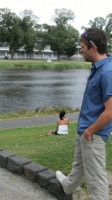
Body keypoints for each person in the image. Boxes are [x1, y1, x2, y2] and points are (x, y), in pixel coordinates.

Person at [56, 28, 112, 199]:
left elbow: (110, 112)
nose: (80, 50)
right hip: (85, 132)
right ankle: (67, 186)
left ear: (92, 47)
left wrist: (90, 131)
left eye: (82, 46)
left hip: (92, 135)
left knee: (96, 181)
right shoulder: (98, 68)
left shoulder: (107, 72)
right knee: (78, 166)